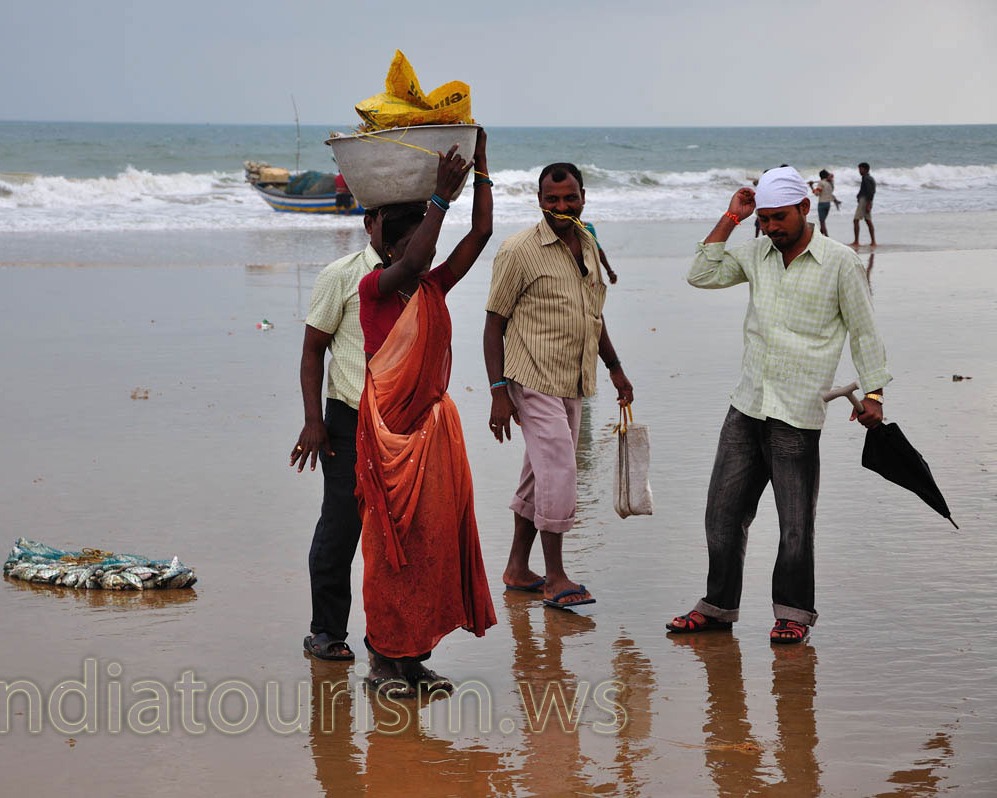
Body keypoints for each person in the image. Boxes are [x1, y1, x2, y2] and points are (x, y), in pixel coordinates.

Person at [667, 166, 892, 644]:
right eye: (764, 219)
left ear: (805, 208)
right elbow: (701, 273)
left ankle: (793, 613)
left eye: (778, 218)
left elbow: (864, 330)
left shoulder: (840, 263)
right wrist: (732, 216)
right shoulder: (756, 253)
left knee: (795, 524)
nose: (770, 227)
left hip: (798, 411)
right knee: (722, 517)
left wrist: (873, 393)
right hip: (746, 406)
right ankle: (718, 607)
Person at [355, 132, 497, 698]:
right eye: (412, 240)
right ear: (391, 249)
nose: (427, 250)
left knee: (431, 545)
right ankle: (382, 662)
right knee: (389, 552)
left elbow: (481, 233)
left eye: (428, 239)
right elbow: (415, 259)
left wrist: (483, 169)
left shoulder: (434, 286)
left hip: (433, 436)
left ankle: (414, 660)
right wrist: (439, 199)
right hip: (390, 439)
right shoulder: (376, 288)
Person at [484, 162, 634, 611]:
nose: (561, 207)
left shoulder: (586, 242)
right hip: (530, 379)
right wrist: (497, 393)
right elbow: (493, 324)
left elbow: (593, 311)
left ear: (583, 197)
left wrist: (615, 367)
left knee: (539, 474)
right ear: (539, 201)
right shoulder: (518, 251)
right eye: (552, 200)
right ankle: (555, 576)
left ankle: (517, 568)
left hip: (573, 379)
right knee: (560, 471)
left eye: (570, 198)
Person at [290, 206, 388, 661]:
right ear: (369, 224)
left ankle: (388, 641)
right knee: (341, 526)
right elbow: (313, 351)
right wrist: (314, 421)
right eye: (388, 222)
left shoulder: (416, 276)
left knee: (393, 534)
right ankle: (326, 631)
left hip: (398, 424)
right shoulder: (340, 275)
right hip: (346, 420)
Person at [807, 169, 840, 236]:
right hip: (828, 204)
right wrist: (828, 177)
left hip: (822, 204)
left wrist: (811, 186)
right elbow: (832, 176)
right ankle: (820, 236)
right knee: (823, 221)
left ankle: (827, 237)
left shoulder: (821, 183)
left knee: (822, 222)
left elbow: (817, 193)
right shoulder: (830, 183)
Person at [851, 162, 877, 247]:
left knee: (856, 220)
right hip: (866, 200)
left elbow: (870, 192)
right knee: (868, 221)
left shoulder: (866, 178)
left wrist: (868, 204)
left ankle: (856, 241)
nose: (859, 171)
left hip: (865, 200)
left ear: (866, 170)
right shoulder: (868, 178)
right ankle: (873, 242)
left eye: (861, 169)